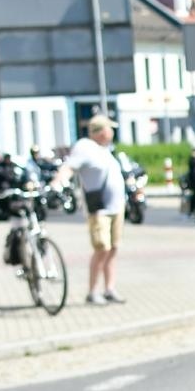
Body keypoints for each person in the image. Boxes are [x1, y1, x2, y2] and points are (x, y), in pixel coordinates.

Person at [52, 115, 126, 305]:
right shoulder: (84, 147)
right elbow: (69, 168)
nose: (112, 132)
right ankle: (92, 291)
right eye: (110, 128)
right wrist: (57, 184)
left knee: (113, 248)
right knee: (102, 248)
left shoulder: (105, 149)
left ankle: (109, 288)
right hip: (99, 209)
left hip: (116, 206)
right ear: (102, 131)